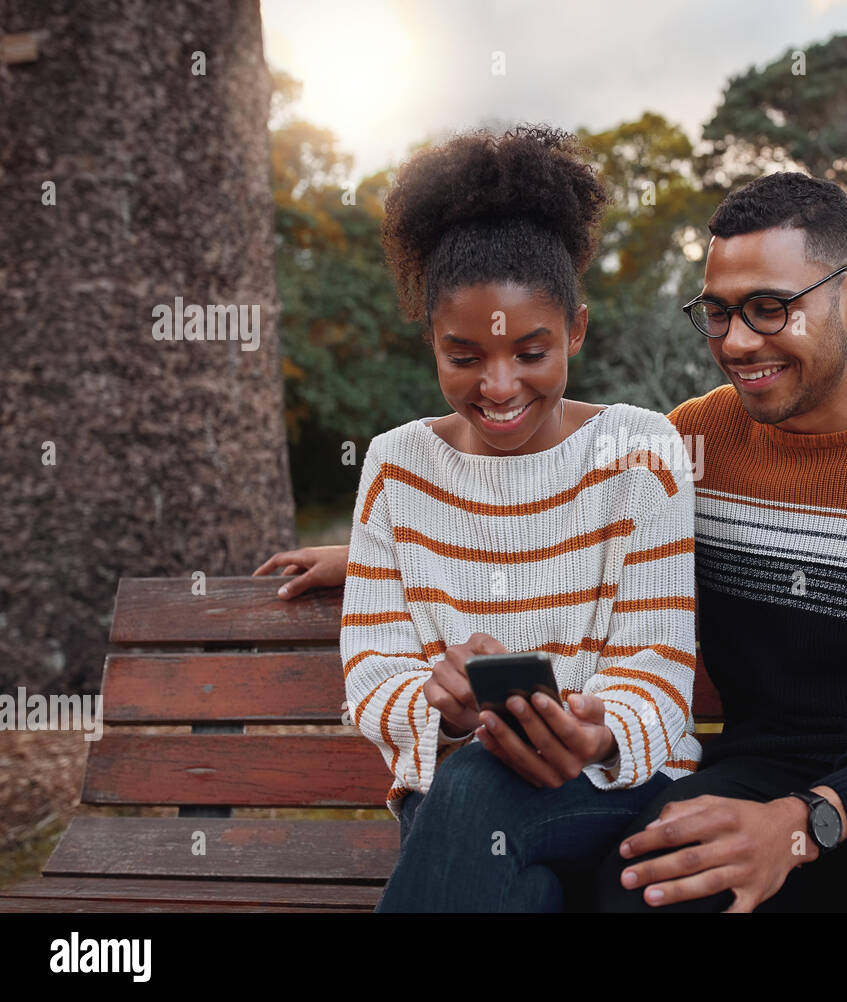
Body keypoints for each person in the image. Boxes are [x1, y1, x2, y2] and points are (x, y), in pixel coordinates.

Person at [258, 170, 847, 913]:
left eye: (769, 308)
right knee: (630, 897)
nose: (737, 340)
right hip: (762, 763)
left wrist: (810, 824)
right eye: (719, 311)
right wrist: (375, 554)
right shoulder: (689, 441)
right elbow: (562, 491)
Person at [253, 125, 702, 911]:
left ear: (577, 330)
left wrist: (595, 731)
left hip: (614, 783)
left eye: (531, 353)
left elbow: (658, 664)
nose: (498, 386)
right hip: (462, 794)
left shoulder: (641, 449)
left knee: (478, 786)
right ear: (431, 340)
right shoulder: (395, 467)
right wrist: (447, 708)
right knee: (510, 867)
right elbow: (373, 673)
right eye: (464, 357)